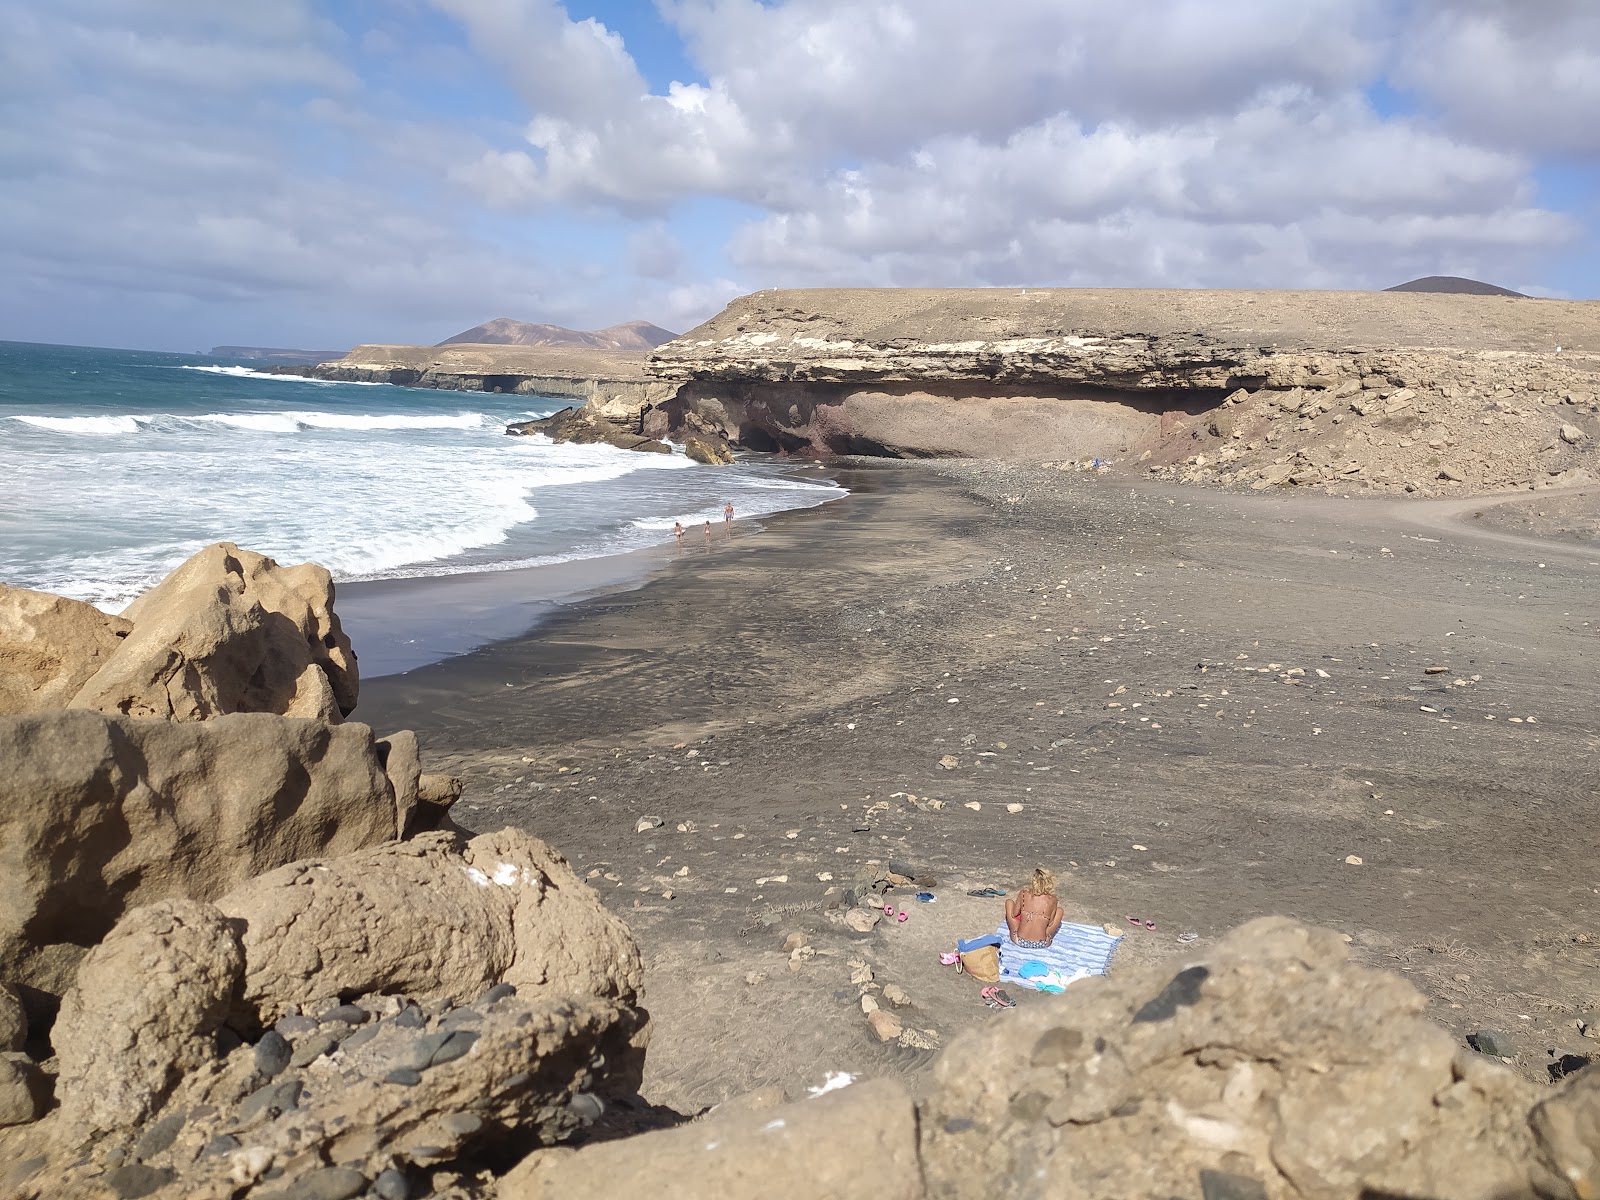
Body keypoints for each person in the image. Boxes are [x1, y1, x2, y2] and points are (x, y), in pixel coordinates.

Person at [1005, 867, 1064, 948]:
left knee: (1009, 902)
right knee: (1060, 911)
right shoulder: (1052, 900)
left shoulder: (1023, 894)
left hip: (1019, 940)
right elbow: (1050, 924)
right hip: (1042, 943)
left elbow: (1014, 914)